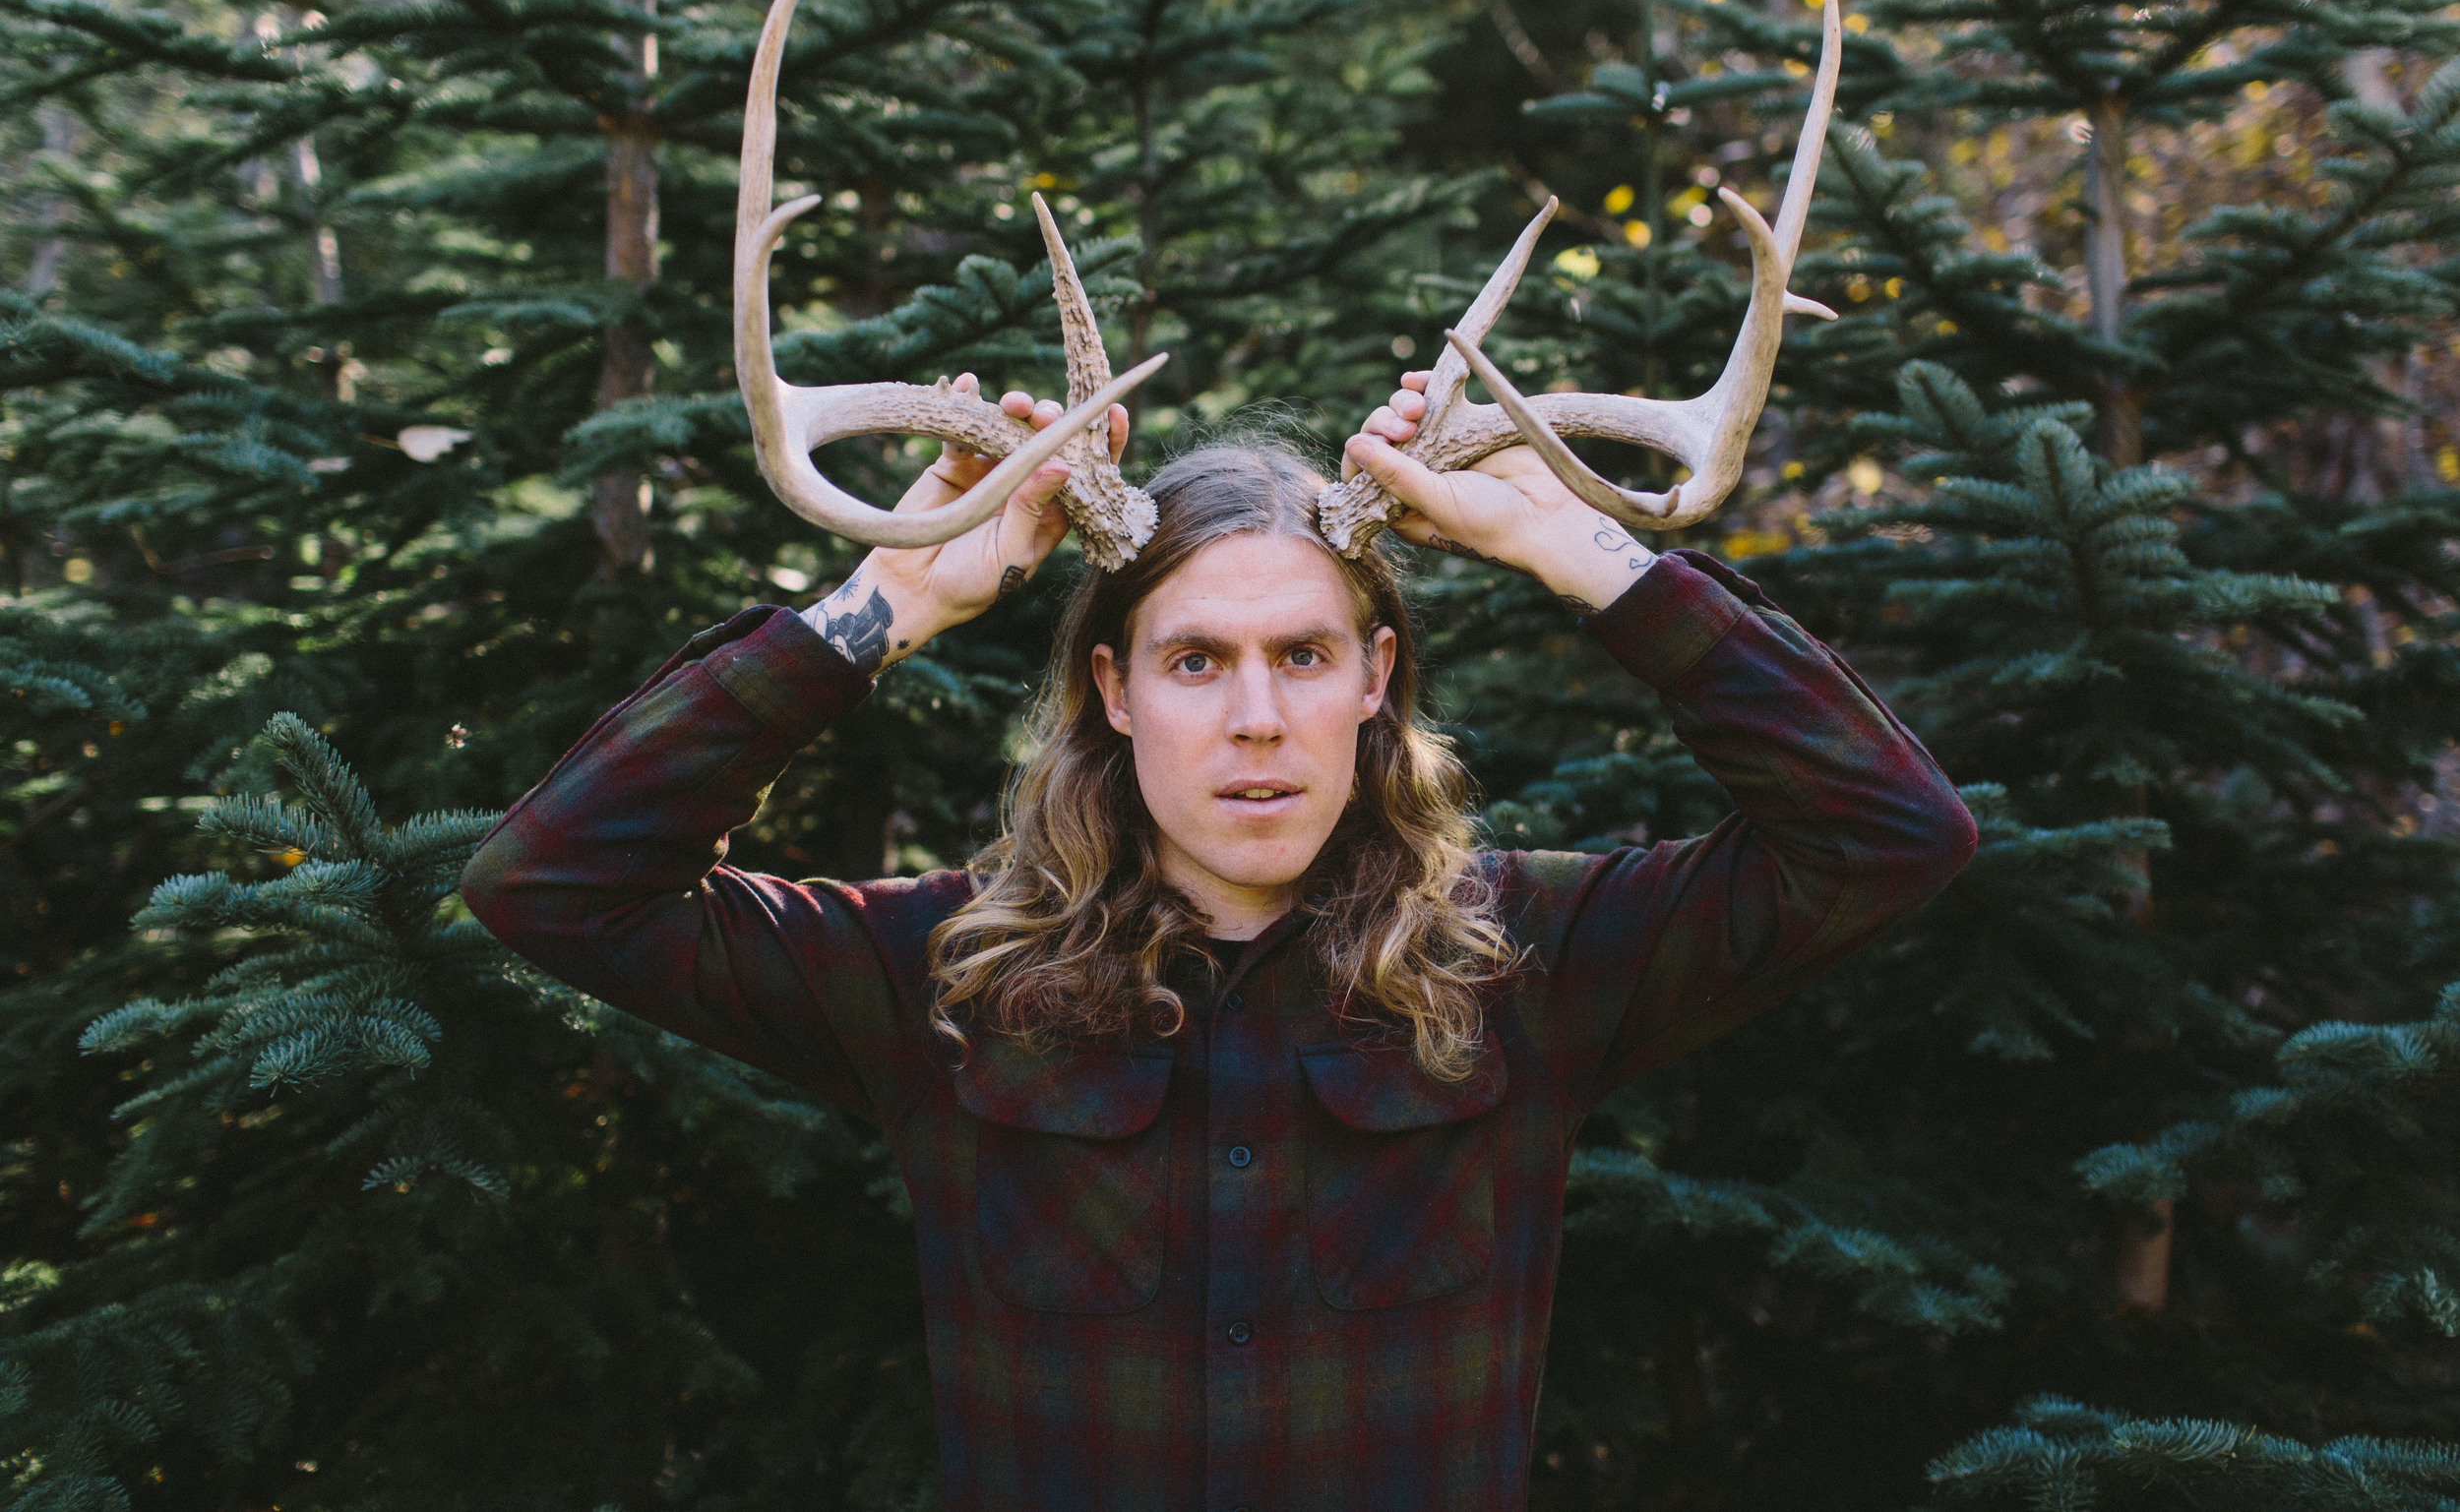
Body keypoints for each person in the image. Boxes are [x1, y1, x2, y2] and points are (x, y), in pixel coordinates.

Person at [461, 370, 1977, 1512]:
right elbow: (556, 884)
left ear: (1373, 678)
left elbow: (1890, 834)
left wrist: (1582, 552)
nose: (1257, 718)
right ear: (1114, 691)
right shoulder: (943, 976)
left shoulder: (1530, 960)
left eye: (1303, 655)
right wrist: (893, 597)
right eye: (1196, 661)